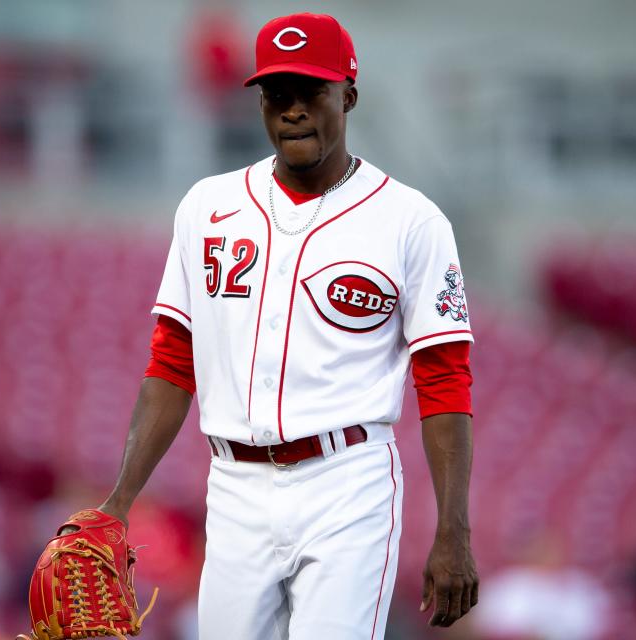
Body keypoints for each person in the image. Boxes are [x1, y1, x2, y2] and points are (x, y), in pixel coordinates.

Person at [95, 13, 479, 639]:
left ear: (348, 96)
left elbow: (445, 380)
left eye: (311, 92)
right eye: (277, 94)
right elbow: (170, 361)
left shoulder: (412, 221)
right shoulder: (206, 207)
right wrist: (119, 502)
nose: (292, 110)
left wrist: (453, 529)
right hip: (234, 485)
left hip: (347, 482)